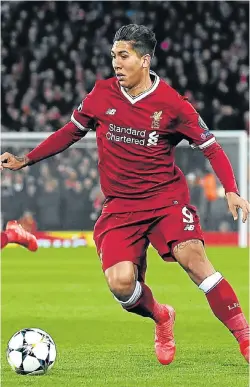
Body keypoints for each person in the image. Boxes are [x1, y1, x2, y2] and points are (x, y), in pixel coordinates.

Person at [1, 24, 249, 365]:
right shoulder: (102, 94)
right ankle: (161, 316)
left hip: (166, 200)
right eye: (113, 56)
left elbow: (212, 147)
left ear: (144, 60)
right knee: (121, 285)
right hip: (120, 207)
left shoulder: (173, 104)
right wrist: (26, 159)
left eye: (123, 56)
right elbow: (69, 133)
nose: (116, 63)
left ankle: (245, 338)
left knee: (194, 258)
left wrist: (232, 191)